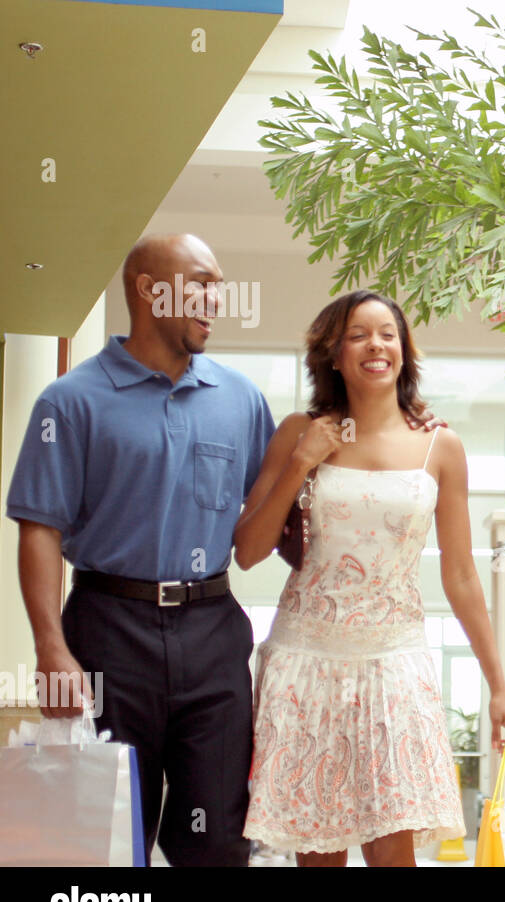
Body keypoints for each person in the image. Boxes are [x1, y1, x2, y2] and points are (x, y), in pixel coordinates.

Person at [6, 234, 444, 867]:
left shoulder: (240, 400)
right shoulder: (70, 402)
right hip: (106, 629)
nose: (217, 299)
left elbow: (283, 524)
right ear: (148, 290)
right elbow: (38, 528)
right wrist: (51, 647)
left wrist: (399, 443)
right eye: (201, 285)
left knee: (216, 840)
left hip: (212, 635)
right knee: (104, 834)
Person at [234, 289, 505, 867]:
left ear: (404, 350)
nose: (376, 345)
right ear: (334, 355)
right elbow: (247, 550)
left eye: (387, 333)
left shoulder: (441, 447)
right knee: (320, 858)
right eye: (358, 335)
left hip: (396, 667)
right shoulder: (299, 431)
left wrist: (498, 686)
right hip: (305, 665)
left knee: (394, 854)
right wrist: (300, 462)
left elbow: (462, 574)